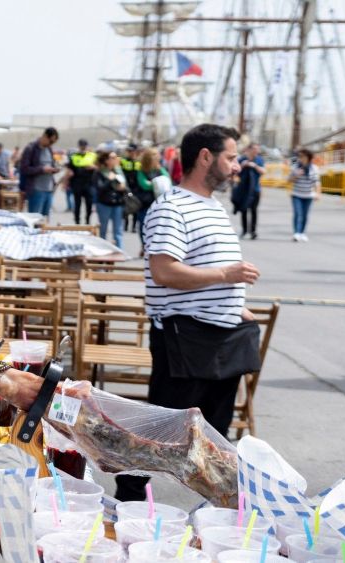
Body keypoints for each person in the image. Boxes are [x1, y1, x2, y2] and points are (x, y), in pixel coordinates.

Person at [115, 124, 260, 502]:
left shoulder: (212, 206)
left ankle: (220, 516)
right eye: (230, 157)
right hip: (185, 339)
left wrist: (232, 301)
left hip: (221, 336)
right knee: (160, 435)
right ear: (205, 157)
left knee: (215, 439)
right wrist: (227, 275)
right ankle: (127, 505)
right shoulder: (171, 207)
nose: (237, 166)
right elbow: (164, 271)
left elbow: (202, 266)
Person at [132, 148, 171, 245]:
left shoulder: (161, 169)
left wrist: (154, 182)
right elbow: (144, 185)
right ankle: (144, 246)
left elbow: (167, 182)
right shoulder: (141, 171)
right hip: (145, 204)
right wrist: (157, 183)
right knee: (143, 227)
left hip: (160, 204)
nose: (158, 157)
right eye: (155, 155)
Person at [19, 127, 59, 217]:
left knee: (45, 221)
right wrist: (42, 169)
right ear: (44, 136)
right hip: (36, 190)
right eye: (51, 141)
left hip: (48, 190)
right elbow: (24, 169)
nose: (51, 144)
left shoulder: (49, 149)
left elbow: (51, 164)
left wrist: (54, 169)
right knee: (35, 219)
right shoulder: (30, 148)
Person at [93, 151, 128, 248]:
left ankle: (120, 251)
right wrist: (109, 180)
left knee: (118, 231)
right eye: (112, 158)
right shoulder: (99, 172)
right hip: (104, 204)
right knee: (103, 230)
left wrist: (122, 187)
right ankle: (102, 252)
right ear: (106, 160)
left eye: (116, 157)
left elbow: (125, 185)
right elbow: (99, 188)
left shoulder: (118, 171)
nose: (115, 159)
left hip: (117, 204)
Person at [231, 142, 265, 239]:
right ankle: (245, 230)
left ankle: (253, 231)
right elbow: (235, 172)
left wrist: (254, 166)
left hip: (255, 189)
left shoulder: (259, 159)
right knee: (244, 209)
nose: (256, 151)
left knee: (254, 210)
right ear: (249, 149)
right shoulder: (242, 159)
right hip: (243, 189)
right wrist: (243, 165)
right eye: (254, 149)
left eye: (257, 149)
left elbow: (263, 171)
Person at [289, 149, 321, 241]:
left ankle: (302, 233)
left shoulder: (314, 168)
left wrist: (318, 194)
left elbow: (317, 182)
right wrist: (296, 175)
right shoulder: (295, 167)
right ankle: (296, 233)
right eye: (299, 156)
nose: (300, 158)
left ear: (308, 157)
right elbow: (289, 180)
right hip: (296, 194)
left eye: (302, 156)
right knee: (297, 213)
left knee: (305, 215)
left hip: (308, 195)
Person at [65, 139, 97, 225]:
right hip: (77, 183)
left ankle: (87, 221)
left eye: (85, 145)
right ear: (79, 146)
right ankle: (77, 222)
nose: (83, 147)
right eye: (81, 145)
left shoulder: (93, 156)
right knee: (77, 205)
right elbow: (69, 170)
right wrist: (66, 182)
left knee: (89, 204)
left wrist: (93, 167)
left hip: (89, 184)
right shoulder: (74, 156)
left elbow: (99, 167)